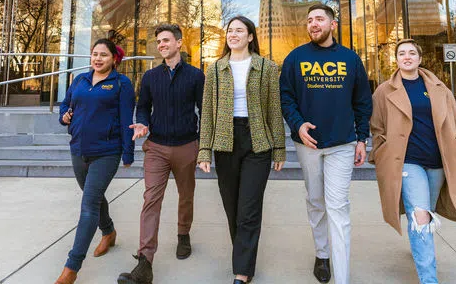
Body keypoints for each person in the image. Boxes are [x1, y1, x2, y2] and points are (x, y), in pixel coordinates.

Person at [279, 4, 373, 284]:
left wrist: (361, 138)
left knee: (338, 206)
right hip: (308, 145)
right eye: (309, 20)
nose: (313, 24)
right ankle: (322, 254)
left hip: (342, 143)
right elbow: (286, 98)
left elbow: (362, 102)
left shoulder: (350, 59)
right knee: (315, 201)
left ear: (333, 24)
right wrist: (297, 124)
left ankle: (341, 277)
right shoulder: (295, 58)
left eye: (319, 19)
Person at [368, 39, 456, 284]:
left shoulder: (438, 87)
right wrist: (382, 152)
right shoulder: (384, 91)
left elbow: (455, 121)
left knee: (427, 210)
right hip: (406, 161)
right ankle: (429, 279)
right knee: (420, 215)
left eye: (411, 53)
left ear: (419, 58)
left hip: (437, 161)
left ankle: (418, 247)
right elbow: (377, 126)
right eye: (401, 53)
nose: (407, 57)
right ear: (396, 59)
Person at [198, 16, 287, 284]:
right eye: (230, 30)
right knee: (232, 207)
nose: (233, 34)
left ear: (250, 37)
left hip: (258, 142)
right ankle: (243, 257)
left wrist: (279, 148)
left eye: (239, 30)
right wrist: (204, 149)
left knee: (249, 209)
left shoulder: (267, 68)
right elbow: (208, 113)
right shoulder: (214, 69)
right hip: (225, 141)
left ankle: (242, 271)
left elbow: (274, 109)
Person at [118, 23, 205, 284]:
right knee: (151, 200)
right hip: (156, 147)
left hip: (187, 146)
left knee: (186, 196)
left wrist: (203, 145)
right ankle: (145, 262)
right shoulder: (150, 77)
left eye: (166, 40)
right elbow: (143, 107)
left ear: (179, 43)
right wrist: (142, 122)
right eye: (159, 42)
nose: (162, 45)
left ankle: (183, 234)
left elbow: (205, 110)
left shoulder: (196, 76)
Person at [53, 38, 136, 284]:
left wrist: (127, 153)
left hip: (106, 152)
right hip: (78, 149)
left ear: (114, 59)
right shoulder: (80, 80)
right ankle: (108, 232)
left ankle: (71, 268)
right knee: (94, 198)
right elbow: (66, 105)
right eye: (94, 54)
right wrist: (65, 116)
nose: (98, 59)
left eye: (104, 55)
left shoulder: (121, 84)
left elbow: (125, 120)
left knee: (88, 205)